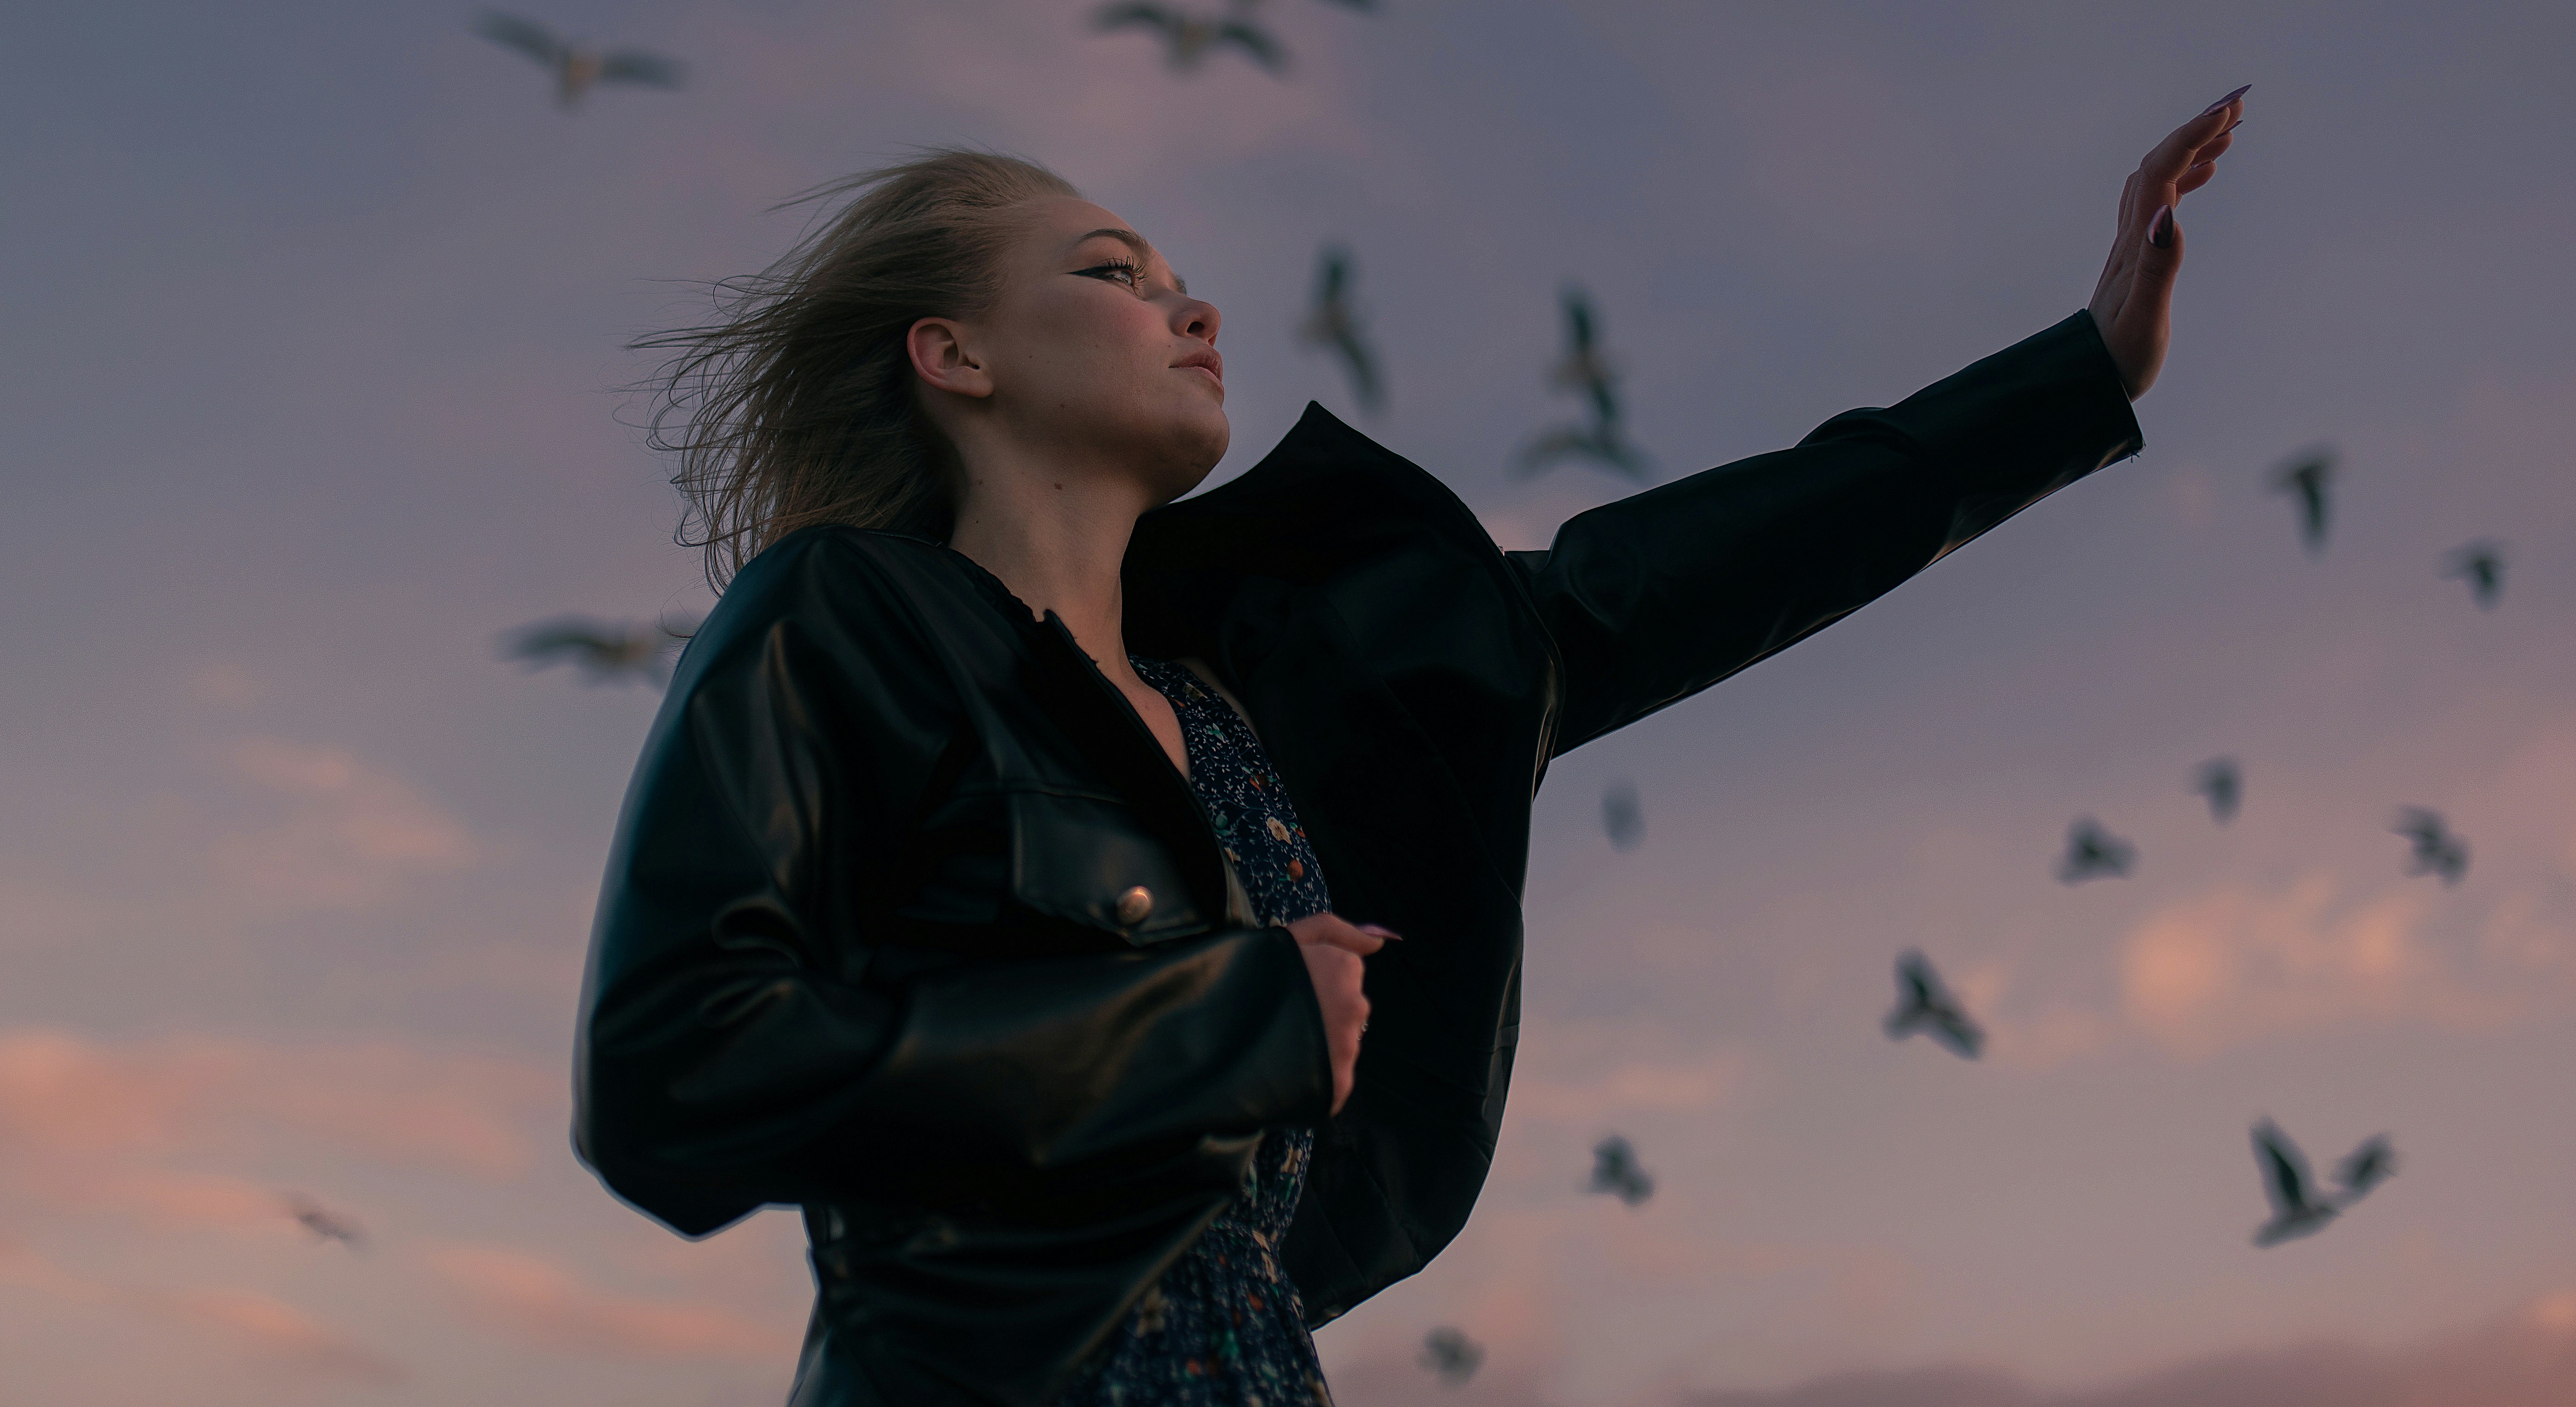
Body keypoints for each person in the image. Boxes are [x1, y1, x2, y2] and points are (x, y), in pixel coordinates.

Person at [573, 89, 2246, 1407]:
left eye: (1175, 274)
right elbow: (678, 1072)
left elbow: (1706, 564)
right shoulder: (848, 618)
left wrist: (2081, 374)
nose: (1189, 300)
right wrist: (1217, 1021)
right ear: (957, 356)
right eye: (1112, 272)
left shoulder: (1293, 687)